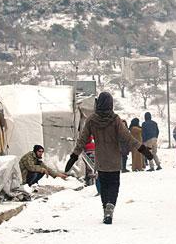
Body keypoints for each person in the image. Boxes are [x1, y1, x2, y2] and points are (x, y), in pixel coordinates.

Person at [64, 92, 154, 224]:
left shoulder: (91, 120)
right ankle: (110, 208)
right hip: (114, 160)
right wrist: (143, 149)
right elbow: (128, 138)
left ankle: (105, 208)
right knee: (114, 185)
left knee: (104, 185)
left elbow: (82, 140)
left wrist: (74, 156)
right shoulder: (115, 119)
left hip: (100, 159)